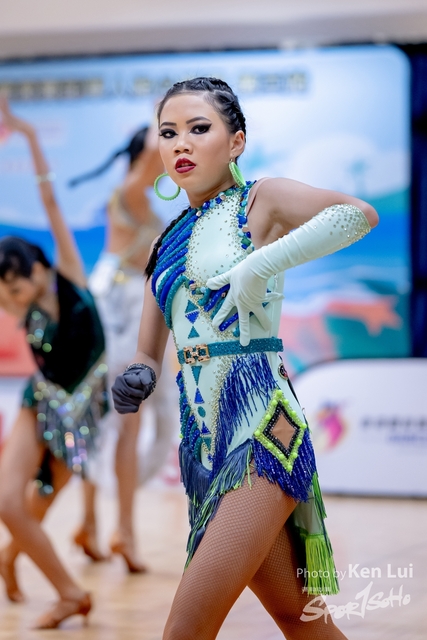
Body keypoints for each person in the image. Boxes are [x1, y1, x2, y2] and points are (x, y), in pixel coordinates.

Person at [111, 77, 379, 640]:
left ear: (236, 141)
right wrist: (138, 375)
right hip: (203, 445)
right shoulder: (164, 243)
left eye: (198, 128)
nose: (181, 143)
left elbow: (357, 214)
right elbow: (148, 350)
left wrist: (260, 263)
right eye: (168, 133)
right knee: (299, 620)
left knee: (185, 629)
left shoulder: (262, 200)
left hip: (261, 431)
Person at [0, 98, 107, 628]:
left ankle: (12, 560)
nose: (10, 300)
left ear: (38, 269)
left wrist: (27, 135)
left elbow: (51, 203)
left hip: (82, 411)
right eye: (3, 295)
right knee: (7, 501)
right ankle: (70, 593)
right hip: (38, 400)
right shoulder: (18, 303)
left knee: (38, 507)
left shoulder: (70, 276)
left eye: (15, 286)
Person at [69, 123, 175, 571]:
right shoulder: (129, 191)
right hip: (117, 311)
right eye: (168, 138)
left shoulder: (141, 199)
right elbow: (151, 148)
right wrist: (165, 115)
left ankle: (102, 527)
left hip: (132, 309)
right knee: (112, 424)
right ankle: (113, 530)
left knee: (121, 425)